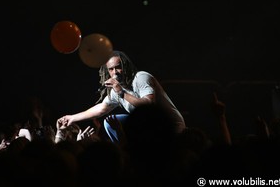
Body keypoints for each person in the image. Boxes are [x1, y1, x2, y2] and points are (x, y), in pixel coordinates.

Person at [57, 50, 186, 142]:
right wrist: (72, 118)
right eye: (111, 69)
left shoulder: (140, 77)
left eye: (118, 67)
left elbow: (148, 105)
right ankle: (125, 153)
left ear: (126, 66)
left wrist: (121, 92)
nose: (115, 72)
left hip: (171, 127)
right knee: (110, 122)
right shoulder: (116, 90)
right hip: (151, 128)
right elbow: (101, 109)